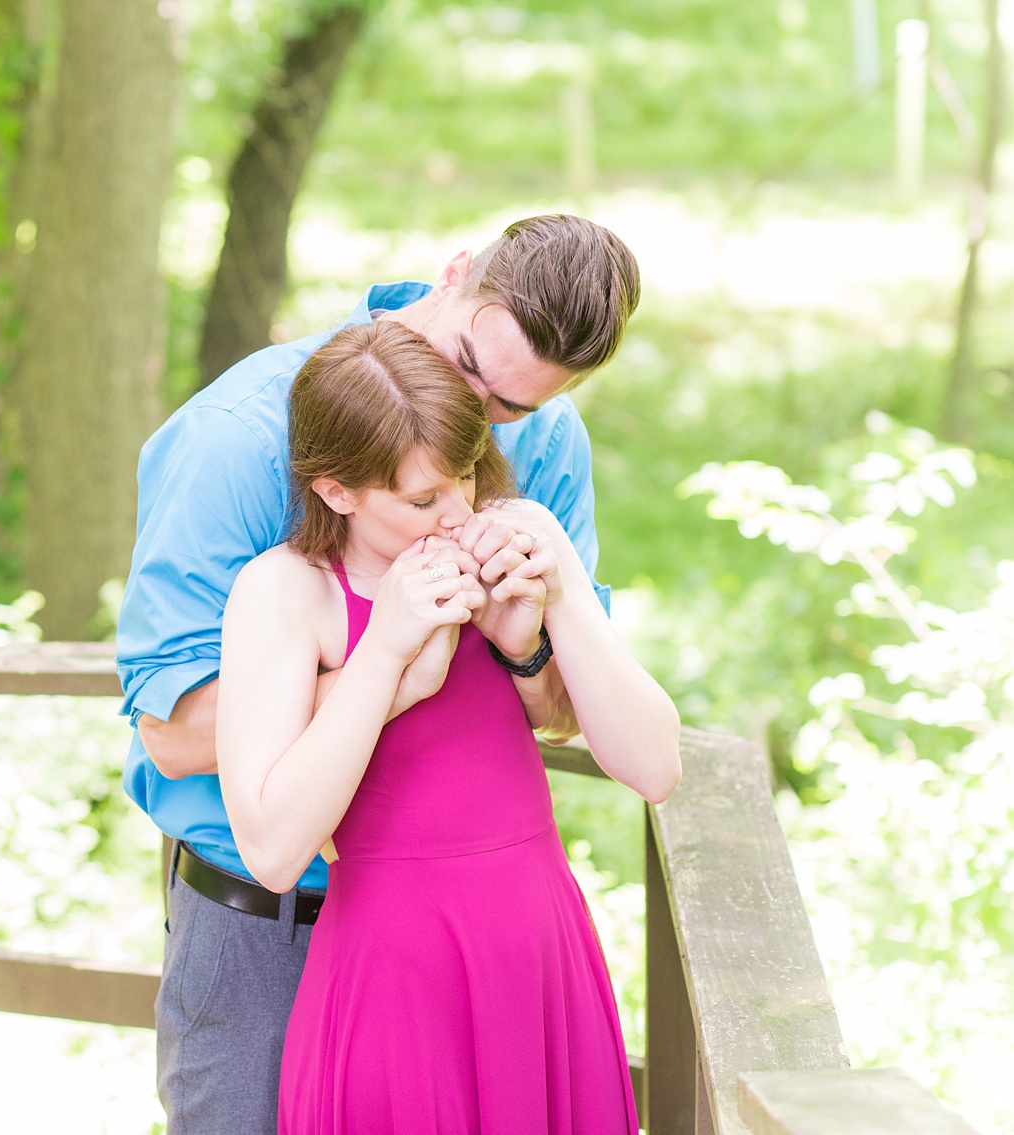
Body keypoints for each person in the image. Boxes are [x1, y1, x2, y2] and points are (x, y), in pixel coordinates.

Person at [117, 214, 642, 1133]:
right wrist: (394, 666)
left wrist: (526, 645)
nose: (476, 425)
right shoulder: (236, 438)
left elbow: (559, 712)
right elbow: (172, 728)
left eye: (508, 413)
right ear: (455, 273)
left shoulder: (550, 442)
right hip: (265, 927)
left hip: (476, 936)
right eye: (471, 370)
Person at [216, 320, 680, 1132]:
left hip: (541, 959)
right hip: (395, 978)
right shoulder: (287, 591)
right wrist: (387, 654)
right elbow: (272, 849)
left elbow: (654, 768)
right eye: (423, 498)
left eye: (467, 476)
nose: (457, 511)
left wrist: (549, 609)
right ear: (337, 490)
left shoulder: (511, 540)